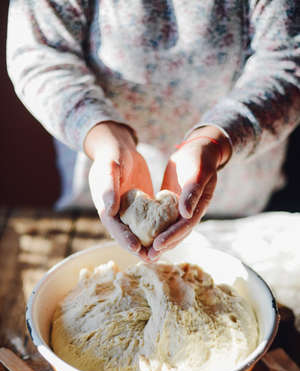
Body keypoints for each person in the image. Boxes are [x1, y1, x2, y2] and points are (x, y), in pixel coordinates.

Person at [7, 0, 300, 261]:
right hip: (106, 182)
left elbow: (286, 61)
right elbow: (40, 53)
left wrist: (211, 141)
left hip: (235, 184)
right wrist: (106, 138)